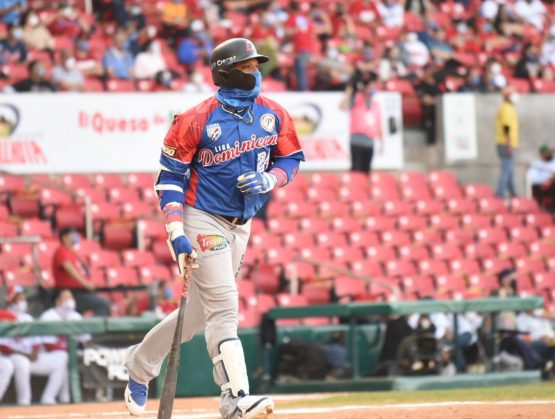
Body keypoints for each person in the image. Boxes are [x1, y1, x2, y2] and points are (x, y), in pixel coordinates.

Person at [123, 37, 305, 419]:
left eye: (257, 66)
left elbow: (290, 159)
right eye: (247, 66)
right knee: (225, 306)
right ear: (225, 72)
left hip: (242, 224)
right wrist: (176, 232)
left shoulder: (273, 113)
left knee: (194, 316)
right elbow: (169, 179)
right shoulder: (193, 119)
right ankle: (235, 397)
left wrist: (272, 180)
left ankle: (138, 366)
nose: (255, 72)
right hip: (201, 215)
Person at [0, 286, 69, 405]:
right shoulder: (4, 317)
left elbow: (36, 341)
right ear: (11, 301)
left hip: (31, 356)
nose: (23, 302)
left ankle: (48, 397)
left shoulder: (27, 318)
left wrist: (35, 352)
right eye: (19, 299)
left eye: (23, 299)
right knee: (21, 362)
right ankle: (24, 401)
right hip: (14, 355)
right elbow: (4, 347)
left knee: (61, 358)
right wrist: (26, 354)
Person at [39, 289, 91, 403]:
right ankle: (50, 397)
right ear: (57, 301)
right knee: (63, 357)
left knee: (69, 358)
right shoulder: (48, 316)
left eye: (71, 297)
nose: (70, 301)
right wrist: (72, 353)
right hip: (46, 357)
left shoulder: (76, 316)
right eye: (66, 298)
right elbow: (49, 346)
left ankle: (66, 398)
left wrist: (82, 354)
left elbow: (87, 341)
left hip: (67, 355)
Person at [52, 227, 110, 316]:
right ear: (64, 237)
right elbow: (70, 269)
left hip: (81, 291)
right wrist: (86, 284)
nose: (75, 237)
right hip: (70, 293)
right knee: (103, 304)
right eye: (72, 235)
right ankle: (94, 329)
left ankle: (87, 329)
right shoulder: (61, 251)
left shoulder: (73, 253)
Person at [339, 70, 383, 173]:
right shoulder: (357, 99)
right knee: (356, 169)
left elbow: (378, 124)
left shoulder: (375, 104)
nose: (373, 89)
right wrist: (348, 93)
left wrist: (382, 142)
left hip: (370, 141)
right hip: (357, 140)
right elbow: (342, 106)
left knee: (367, 170)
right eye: (370, 86)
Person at [495, 86, 520, 198]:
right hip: (506, 144)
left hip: (507, 143)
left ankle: (513, 193)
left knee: (509, 170)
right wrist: (509, 144)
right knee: (506, 170)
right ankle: (500, 194)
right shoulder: (506, 108)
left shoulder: (509, 107)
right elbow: (506, 127)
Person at [526, 144, 555, 212]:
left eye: (549, 152)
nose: (549, 154)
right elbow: (532, 180)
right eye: (546, 153)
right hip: (543, 188)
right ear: (541, 154)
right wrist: (549, 179)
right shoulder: (536, 164)